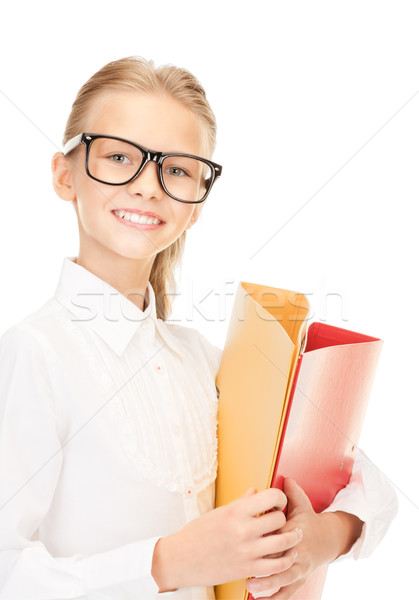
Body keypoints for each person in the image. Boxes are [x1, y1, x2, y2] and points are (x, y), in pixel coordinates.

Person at [0, 56, 397, 600]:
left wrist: (322, 538)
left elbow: (363, 480)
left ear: (197, 205)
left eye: (179, 169)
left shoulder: (203, 360)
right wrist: (168, 563)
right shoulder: (31, 354)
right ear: (64, 175)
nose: (147, 186)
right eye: (119, 156)